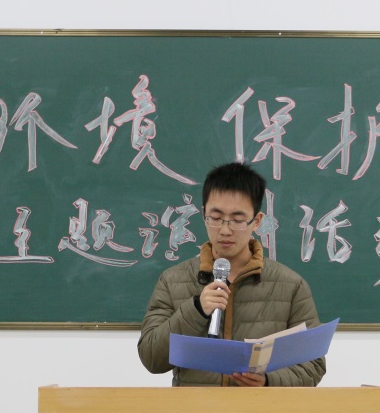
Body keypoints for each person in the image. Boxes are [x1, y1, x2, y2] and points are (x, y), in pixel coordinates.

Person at [138, 162, 326, 387]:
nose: (225, 230)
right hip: (195, 408)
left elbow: (313, 366)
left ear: (257, 221)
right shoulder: (173, 280)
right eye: (216, 218)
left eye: (237, 220)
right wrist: (196, 310)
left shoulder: (291, 286)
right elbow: (151, 358)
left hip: (259, 408)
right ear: (204, 215)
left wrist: (268, 381)